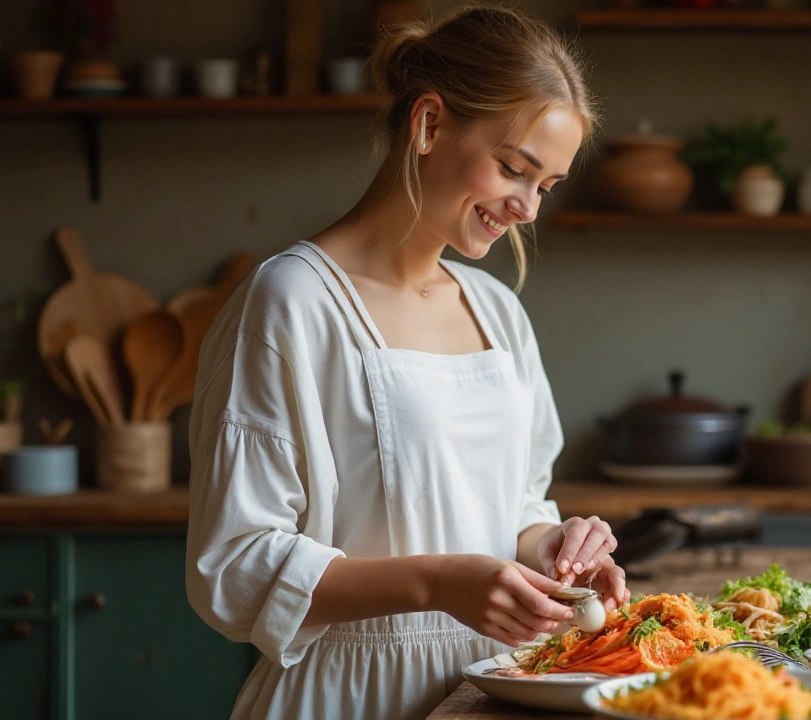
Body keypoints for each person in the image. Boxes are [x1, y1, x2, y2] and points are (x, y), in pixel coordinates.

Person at [184, 7, 627, 718]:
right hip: (346, 697)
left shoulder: (497, 314)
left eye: (546, 186)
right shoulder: (292, 301)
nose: (527, 209)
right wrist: (434, 583)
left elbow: (508, 507)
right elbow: (234, 563)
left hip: (492, 692)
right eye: (514, 168)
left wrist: (553, 551)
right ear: (428, 125)